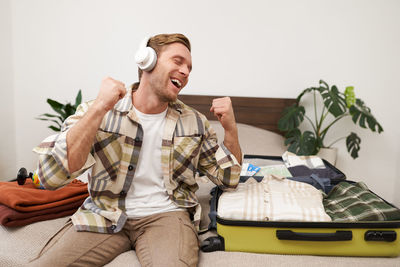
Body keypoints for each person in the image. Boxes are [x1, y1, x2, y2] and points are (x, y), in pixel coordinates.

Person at [30, 33, 242, 267]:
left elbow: (229, 179)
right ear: (147, 60)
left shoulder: (195, 122)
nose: (186, 72)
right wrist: (100, 106)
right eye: (178, 61)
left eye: (190, 68)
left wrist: (230, 128)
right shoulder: (99, 110)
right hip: (105, 213)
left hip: (167, 216)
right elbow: (50, 177)